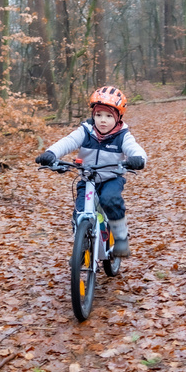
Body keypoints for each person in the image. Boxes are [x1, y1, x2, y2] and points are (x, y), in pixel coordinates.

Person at [35, 86, 147, 257]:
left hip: (111, 178)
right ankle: (82, 244)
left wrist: (138, 159)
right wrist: (51, 153)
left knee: (110, 200)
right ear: (93, 115)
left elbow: (135, 149)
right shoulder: (86, 131)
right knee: (80, 212)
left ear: (118, 118)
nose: (103, 120)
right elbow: (68, 142)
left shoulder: (123, 136)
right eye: (98, 115)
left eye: (109, 116)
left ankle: (121, 238)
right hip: (87, 179)